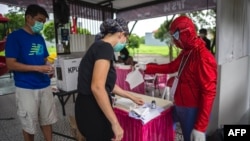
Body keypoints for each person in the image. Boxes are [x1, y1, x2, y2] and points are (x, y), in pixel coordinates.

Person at [136, 16, 217, 141]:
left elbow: (209, 92)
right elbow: (171, 67)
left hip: (192, 109)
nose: (174, 40)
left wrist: (200, 127)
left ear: (187, 33)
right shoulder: (186, 52)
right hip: (180, 104)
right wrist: (147, 67)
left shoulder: (203, 57)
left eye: (176, 35)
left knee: (190, 137)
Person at [75, 18, 144, 141]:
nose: (125, 42)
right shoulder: (105, 48)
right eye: (126, 38)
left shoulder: (98, 46)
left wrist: (131, 97)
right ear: (121, 34)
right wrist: (115, 123)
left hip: (85, 106)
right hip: (93, 109)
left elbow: (108, 85)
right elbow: (97, 87)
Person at [5, 4, 57, 141]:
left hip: (44, 85)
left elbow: (44, 59)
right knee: (29, 124)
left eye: (44, 22)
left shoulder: (39, 38)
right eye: (39, 20)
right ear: (28, 18)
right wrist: (38, 68)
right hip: (26, 88)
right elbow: (10, 64)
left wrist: (49, 66)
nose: (42, 24)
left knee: (47, 120)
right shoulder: (15, 37)